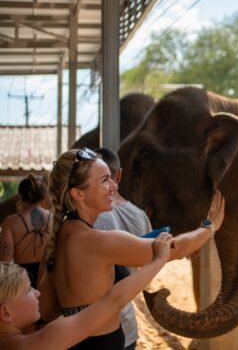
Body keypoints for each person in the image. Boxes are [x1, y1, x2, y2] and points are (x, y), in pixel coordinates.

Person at [38, 147, 224, 349]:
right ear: (78, 194)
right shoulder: (97, 241)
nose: (114, 187)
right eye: (104, 181)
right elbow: (176, 249)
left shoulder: (60, 236)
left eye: (111, 178)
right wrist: (210, 226)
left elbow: (46, 309)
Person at [0, 233, 172, 349]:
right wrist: (158, 260)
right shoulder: (39, 342)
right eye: (28, 290)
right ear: (6, 312)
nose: (37, 293)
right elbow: (113, 301)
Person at [93, 147, 152, 350]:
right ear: (120, 175)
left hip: (91, 329)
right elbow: (149, 264)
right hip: (127, 325)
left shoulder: (86, 218)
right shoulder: (140, 216)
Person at [0, 174, 53, 288]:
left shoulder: (11, 222)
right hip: (48, 277)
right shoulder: (52, 219)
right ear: (43, 196)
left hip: (22, 278)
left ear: (21, 195)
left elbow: (5, 262)